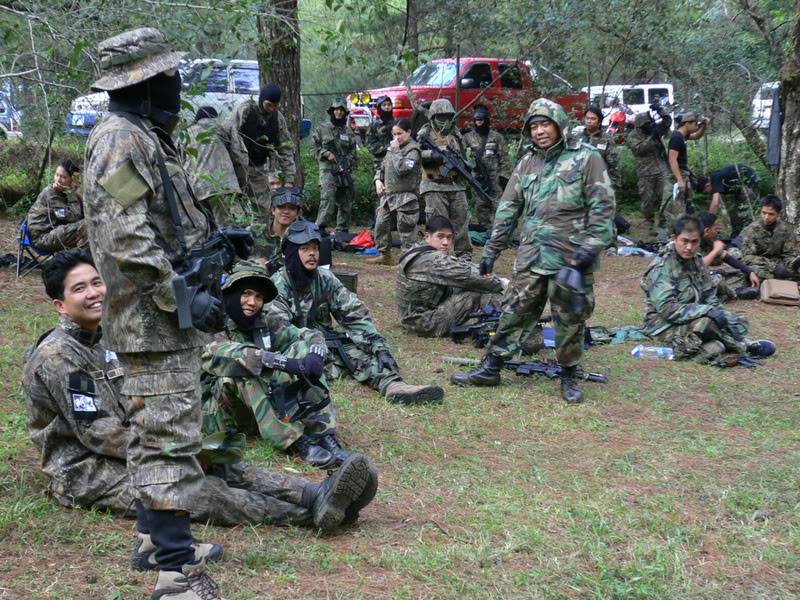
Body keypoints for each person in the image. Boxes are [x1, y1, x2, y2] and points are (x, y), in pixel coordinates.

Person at [22, 251, 377, 574]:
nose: (94, 293)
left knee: (224, 464)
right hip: (87, 470)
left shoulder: (106, 338)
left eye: (97, 282)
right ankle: (310, 515)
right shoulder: (59, 357)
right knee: (195, 488)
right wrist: (169, 450)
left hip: (131, 449)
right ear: (60, 305)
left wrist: (183, 443)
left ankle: (315, 493)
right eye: (80, 288)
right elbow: (98, 434)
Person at [82, 27, 251, 599]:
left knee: (156, 428)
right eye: (169, 75)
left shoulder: (142, 135)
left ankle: (155, 540)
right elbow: (125, 239)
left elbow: (155, 218)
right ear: (147, 82)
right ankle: (175, 573)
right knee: (168, 438)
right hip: (150, 319)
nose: (178, 84)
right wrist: (181, 294)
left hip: (156, 316)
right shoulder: (121, 141)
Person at [451, 98, 615, 404]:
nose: (540, 131)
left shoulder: (586, 158)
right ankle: (492, 367)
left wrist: (588, 250)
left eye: (545, 124)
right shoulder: (526, 162)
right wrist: (491, 250)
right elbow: (508, 208)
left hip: (571, 257)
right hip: (532, 255)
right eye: (534, 126)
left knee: (569, 318)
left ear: (559, 125)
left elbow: (603, 210)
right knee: (514, 311)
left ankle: (568, 374)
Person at [266, 220, 445, 405]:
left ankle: (393, 386)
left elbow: (355, 315)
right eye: (305, 249)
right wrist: (314, 341)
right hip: (296, 349)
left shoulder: (325, 279)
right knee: (304, 360)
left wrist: (380, 348)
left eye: (315, 248)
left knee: (363, 352)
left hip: (326, 345)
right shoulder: (276, 286)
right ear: (291, 253)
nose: (312, 254)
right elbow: (281, 335)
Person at [201, 261, 353, 468]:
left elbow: (307, 334)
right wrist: (281, 362)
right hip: (223, 417)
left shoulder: (263, 319)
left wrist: (315, 354)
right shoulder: (212, 323)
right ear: (232, 293)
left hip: (261, 411)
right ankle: (297, 443)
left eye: (259, 297)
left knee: (301, 349)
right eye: (246, 293)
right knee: (243, 370)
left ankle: (323, 432)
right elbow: (225, 354)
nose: (252, 302)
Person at [641, 215, 775, 362]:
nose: (689, 247)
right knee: (707, 323)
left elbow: (710, 297)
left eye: (694, 242)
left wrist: (722, 316)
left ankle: (716, 344)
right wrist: (708, 311)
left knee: (737, 321)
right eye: (684, 241)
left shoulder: (697, 261)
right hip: (661, 324)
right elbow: (667, 309)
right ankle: (742, 346)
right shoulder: (662, 267)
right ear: (674, 238)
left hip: (691, 315)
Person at [396, 215, 506, 336]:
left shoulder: (418, 250)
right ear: (427, 236)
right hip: (423, 324)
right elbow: (470, 275)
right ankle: (513, 319)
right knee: (478, 294)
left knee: (473, 285)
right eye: (440, 237)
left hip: (414, 317)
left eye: (449, 238)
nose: (445, 242)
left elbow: (463, 268)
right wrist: (502, 283)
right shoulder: (431, 260)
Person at [224, 83, 296, 217]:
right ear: (262, 100)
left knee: (262, 209)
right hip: (236, 167)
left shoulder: (278, 118)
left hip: (258, 169)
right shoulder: (245, 110)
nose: (272, 108)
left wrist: (289, 178)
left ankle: (261, 236)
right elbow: (228, 135)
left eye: (275, 105)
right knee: (234, 208)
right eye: (269, 104)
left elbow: (285, 148)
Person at [417, 98, 473, 257]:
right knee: (438, 223)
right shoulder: (425, 133)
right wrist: (432, 155)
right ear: (433, 117)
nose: (445, 121)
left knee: (461, 221)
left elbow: (462, 155)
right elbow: (415, 154)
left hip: (456, 184)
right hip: (434, 185)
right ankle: (437, 256)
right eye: (441, 117)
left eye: (448, 116)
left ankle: (464, 256)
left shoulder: (456, 133)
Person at [367, 118, 421, 265]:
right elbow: (381, 167)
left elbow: (403, 169)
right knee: (381, 225)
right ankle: (385, 255)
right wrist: (378, 181)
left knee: (406, 229)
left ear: (409, 132)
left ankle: (408, 260)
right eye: (394, 134)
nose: (397, 137)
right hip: (388, 196)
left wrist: (396, 150)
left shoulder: (413, 150)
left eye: (400, 133)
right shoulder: (392, 149)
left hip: (406, 196)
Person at [181, 106, 246, 226]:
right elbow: (239, 157)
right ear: (215, 118)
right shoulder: (222, 129)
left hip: (196, 189)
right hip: (223, 186)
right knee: (234, 228)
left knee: (205, 231)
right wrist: (242, 185)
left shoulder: (185, 135)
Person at [463, 105, 512, 228]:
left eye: (481, 119)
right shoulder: (468, 137)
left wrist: (504, 177)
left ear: (486, 120)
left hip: (495, 177)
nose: (479, 122)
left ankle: (499, 230)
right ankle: (484, 229)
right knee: (481, 205)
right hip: (478, 177)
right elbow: (459, 153)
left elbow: (504, 158)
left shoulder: (496, 137)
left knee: (498, 205)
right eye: (476, 120)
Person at [313, 99, 358, 233]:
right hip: (328, 171)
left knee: (346, 201)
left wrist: (348, 161)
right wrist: (326, 153)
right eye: (336, 110)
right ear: (332, 111)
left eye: (341, 110)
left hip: (344, 171)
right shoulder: (321, 128)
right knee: (328, 200)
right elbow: (313, 148)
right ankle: (319, 229)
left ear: (345, 113)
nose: (338, 112)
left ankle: (342, 231)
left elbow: (353, 152)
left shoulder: (348, 131)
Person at [27, 159, 87, 252]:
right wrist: (73, 192)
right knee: (88, 224)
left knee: (88, 223)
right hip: (42, 239)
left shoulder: (63, 193)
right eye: (57, 175)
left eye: (63, 177)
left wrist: (76, 192)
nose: (58, 179)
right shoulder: (50, 193)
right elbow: (75, 217)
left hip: (51, 232)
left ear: (72, 180)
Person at [627, 107, 672, 231]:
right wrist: (652, 138)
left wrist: (661, 110)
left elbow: (667, 122)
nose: (648, 126)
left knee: (665, 196)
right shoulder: (633, 135)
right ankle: (648, 220)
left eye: (649, 123)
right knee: (647, 199)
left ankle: (663, 221)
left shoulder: (654, 130)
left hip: (661, 169)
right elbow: (639, 149)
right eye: (646, 124)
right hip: (645, 172)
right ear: (640, 125)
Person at [697, 211, 759, 300]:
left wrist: (749, 272)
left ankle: (724, 292)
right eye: (715, 229)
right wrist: (715, 250)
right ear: (707, 230)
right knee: (716, 279)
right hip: (688, 280)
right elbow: (698, 267)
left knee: (739, 274)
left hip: (703, 276)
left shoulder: (708, 240)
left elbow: (727, 257)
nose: (717, 232)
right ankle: (734, 294)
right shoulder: (692, 241)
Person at [662, 111, 709, 225]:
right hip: (676, 176)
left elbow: (697, 136)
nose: (696, 127)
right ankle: (673, 231)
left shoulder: (683, 136)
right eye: (695, 124)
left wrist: (704, 126)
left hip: (683, 174)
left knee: (687, 204)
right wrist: (679, 180)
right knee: (675, 206)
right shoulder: (676, 138)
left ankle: (686, 227)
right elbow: (672, 159)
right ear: (687, 123)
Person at [740, 195, 800, 281]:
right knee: (756, 273)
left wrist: (793, 263)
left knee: (794, 272)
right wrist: (773, 266)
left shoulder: (785, 229)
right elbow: (747, 256)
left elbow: (789, 254)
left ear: (779, 214)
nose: (766, 217)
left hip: (780, 264)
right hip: (759, 264)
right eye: (764, 213)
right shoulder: (752, 229)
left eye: (771, 214)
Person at [695, 164, 760, 237]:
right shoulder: (717, 179)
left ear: (707, 185)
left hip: (749, 183)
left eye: (706, 192)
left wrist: (709, 220)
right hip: (740, 188)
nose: (708, 193)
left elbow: (715, 203)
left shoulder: (715, 178)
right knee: (734, 212)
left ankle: (751, 234)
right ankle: (736, 233)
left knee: (746, 211)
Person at [250, 186, 303, 271]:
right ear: (273, 210)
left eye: (292, 208)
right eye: (281, 207)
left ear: (297, 213)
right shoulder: (254, 232)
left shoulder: (303, 238)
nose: (286, 211)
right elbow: (234, 261)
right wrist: (252, 263)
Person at [577, 105, 620, 189]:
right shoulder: (577, 138)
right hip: (579, 185)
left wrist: (613, 186)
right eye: (587, 118)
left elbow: (613, 165)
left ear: (599, 121)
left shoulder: (606, 139)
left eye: (593, 119)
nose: (589, 121)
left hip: (600, 185)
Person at [365, 95, 394, 172]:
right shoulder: (374, 125)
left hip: (396, 160)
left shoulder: (397, 123)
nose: (387, 107)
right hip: (380, 162)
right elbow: (370, 145)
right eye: (384, 105)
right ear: (379, 107)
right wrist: (386, 148)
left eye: (389, 105)